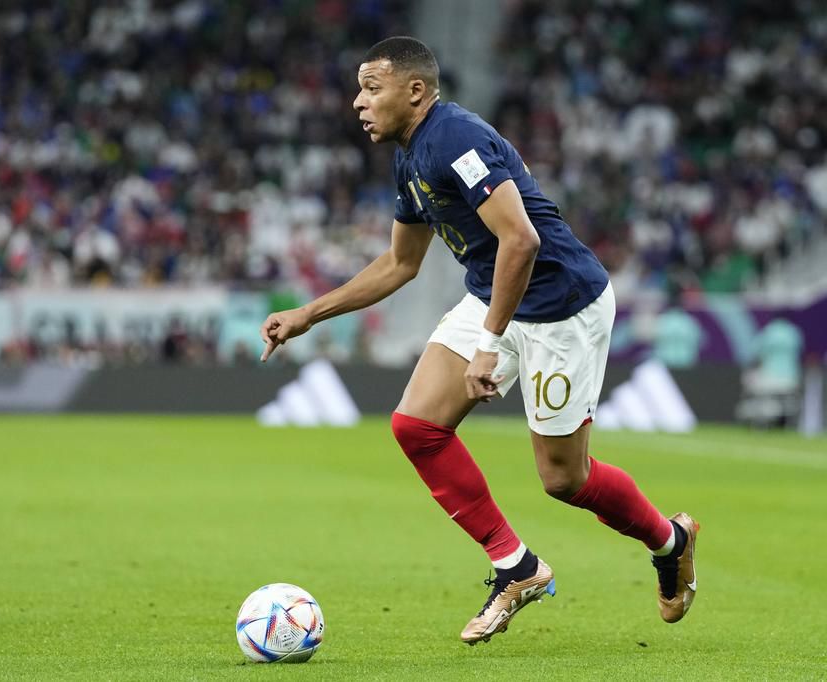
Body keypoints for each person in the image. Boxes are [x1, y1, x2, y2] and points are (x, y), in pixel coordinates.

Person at [259, 37, 699, 645]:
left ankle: (669, 541)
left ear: (415, 91)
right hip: (496, 294)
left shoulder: (454, 139)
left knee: (564, 480)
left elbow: (522, 240)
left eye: (371, 87)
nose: (358, 102)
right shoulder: (411, 156)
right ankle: (515, 566)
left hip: (560, 305)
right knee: (417, 426)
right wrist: (311, 313)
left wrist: (490, 342)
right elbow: (399, 264)